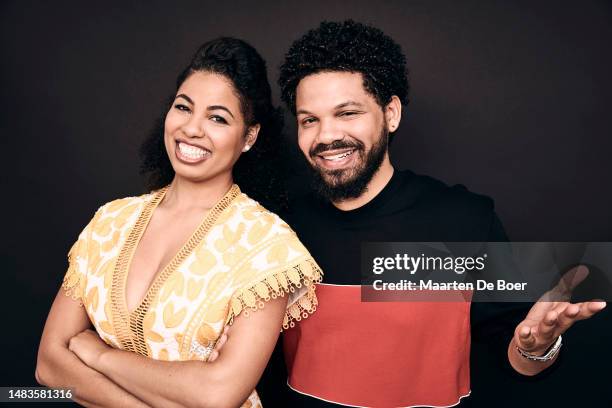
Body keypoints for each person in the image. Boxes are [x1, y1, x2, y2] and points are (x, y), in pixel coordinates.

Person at [253, 20, 604, 407]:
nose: (325, 136)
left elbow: (517, 353)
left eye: (347, 113)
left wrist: (537, 347)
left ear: (391, 113)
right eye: (309, 120)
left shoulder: (463, 219)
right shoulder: (279, 226)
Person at [35, 37, 322, 408]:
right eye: (183, 107)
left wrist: (98, 355)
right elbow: (49, 365)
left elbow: (217, 394)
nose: (192, 129)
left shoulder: (266, 245)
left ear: (248, 136)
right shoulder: (111, 221)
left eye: (217, 118)